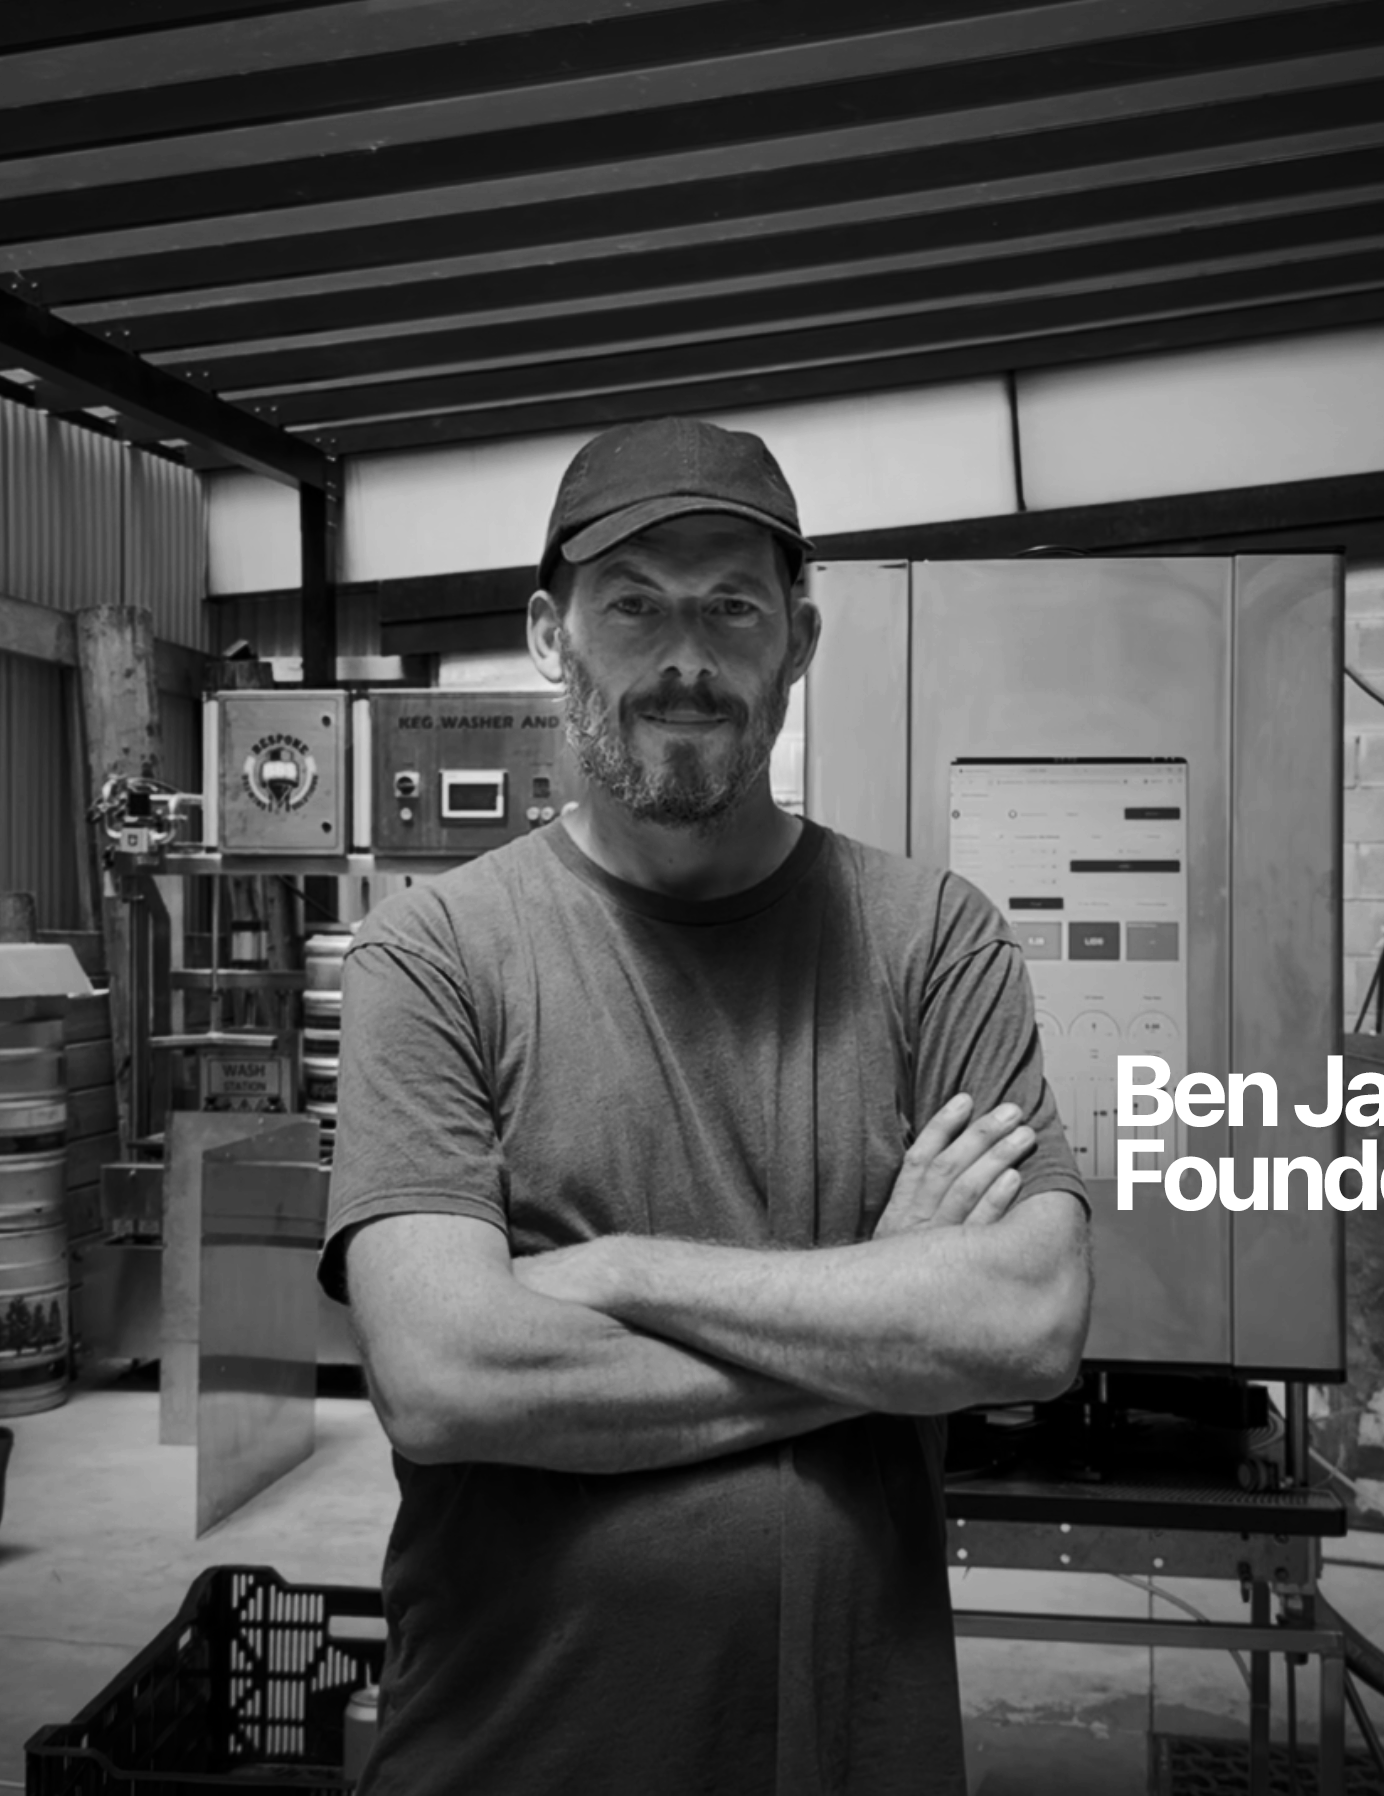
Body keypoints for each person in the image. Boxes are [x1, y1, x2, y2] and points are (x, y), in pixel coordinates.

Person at [322, 416, 1094, 1794]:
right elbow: (447, 1377)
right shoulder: (433, 954)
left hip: (853, 1756)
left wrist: (610, 1277)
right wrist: (886, 1313)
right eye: (635, 606)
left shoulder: (932, 942)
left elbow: (1027, 1322)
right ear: (553, 638)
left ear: (796, 640)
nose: (686, 660)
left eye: (731, 606)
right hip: (514, 1757)